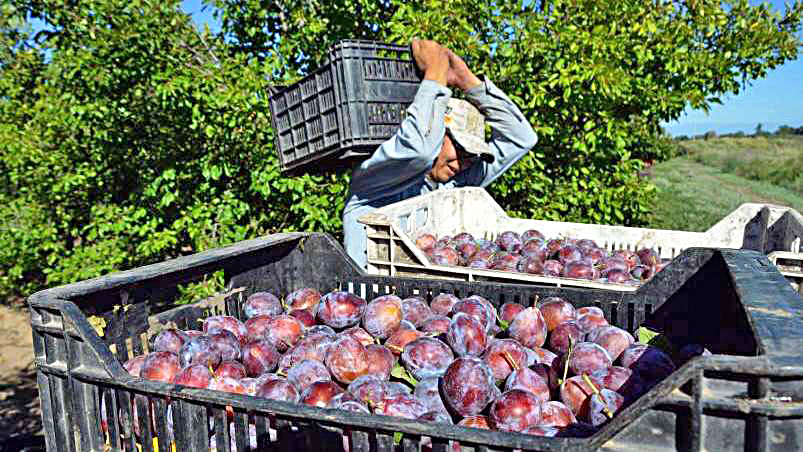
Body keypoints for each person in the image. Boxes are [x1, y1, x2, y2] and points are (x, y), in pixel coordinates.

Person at [342, 39, 537, 269]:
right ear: (438, 134)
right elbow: (421, 149)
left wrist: (469, 83)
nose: (463, 163)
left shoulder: (455, 185)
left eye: (471, 157)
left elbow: (522, 139)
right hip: (368, 297)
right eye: (459, 149)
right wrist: (435, 74)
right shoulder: (383, 175)